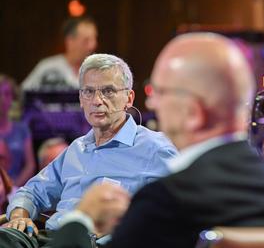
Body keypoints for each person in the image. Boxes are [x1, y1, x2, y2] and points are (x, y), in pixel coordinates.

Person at [51, 32, 264, 248]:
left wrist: (81, 219)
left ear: (193, 113)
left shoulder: (164, 203)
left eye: (160, 92)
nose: (151, 102)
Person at [2, 54, 178, 242]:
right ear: (80, 98)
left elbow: (179, 212)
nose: (97, 100)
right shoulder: (76, 149)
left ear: (129, 98)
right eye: (89, 91)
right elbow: (31, 191)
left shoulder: (155, 149)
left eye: (108, 91)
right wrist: (19, 216)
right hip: (51, 238)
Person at [22, 16, 98, 91]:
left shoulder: (101, 71)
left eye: (94, 39)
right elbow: (23, 95)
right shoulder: (48, 68)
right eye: (86, 40)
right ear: (70, 41)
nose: (92, 45)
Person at [0, 74, 36, 186]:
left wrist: (13, 187)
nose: (2, 99)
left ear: (12, 98)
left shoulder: (22, 129)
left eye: (7, 94)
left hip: (15, 188)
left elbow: (30, 165)